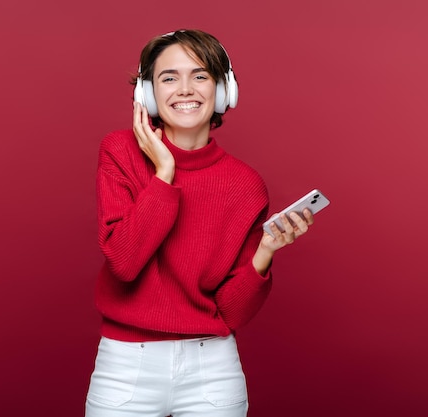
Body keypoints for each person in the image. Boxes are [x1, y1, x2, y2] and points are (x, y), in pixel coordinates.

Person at [85, 29, 314, 417]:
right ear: (147, 94)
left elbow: (231, 311)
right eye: (169, 78)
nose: (185, 89)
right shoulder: (120, 151)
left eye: (201, 75)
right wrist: (165, 172)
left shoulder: (246, 185)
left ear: (223, 90)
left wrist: (265, 251)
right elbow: (124, 262)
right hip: (127, 367)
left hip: (212, 369)